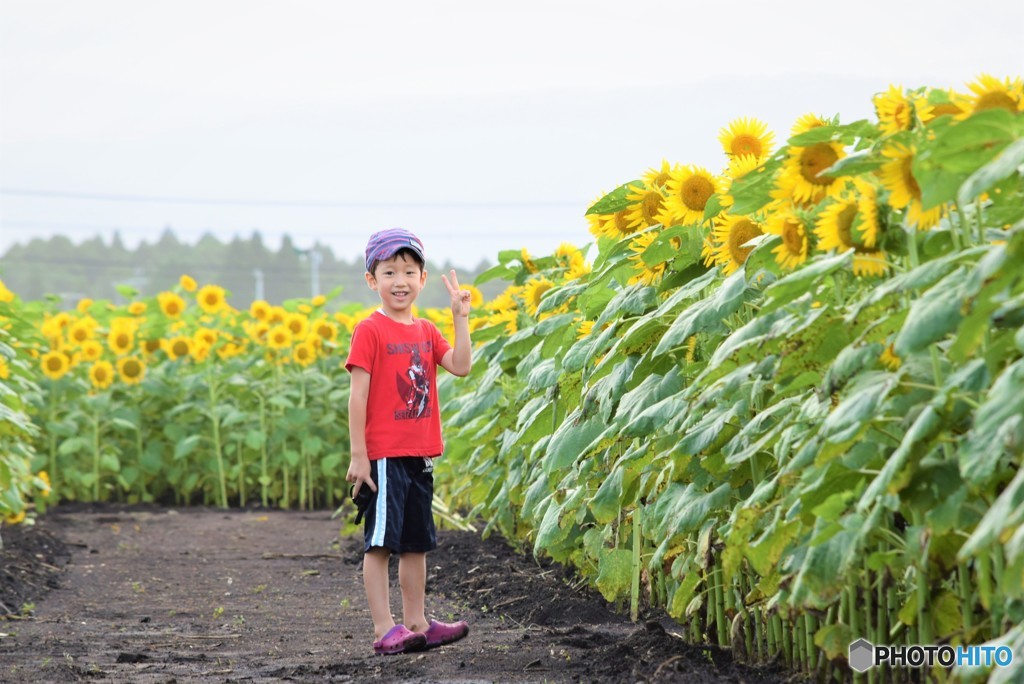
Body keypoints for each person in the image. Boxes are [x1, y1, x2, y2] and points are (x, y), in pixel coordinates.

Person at [344, 227, 473, 655]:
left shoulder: (426, 330)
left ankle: (417, 621)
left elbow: (460, 365)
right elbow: (357, 395)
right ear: (371, 279)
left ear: (421, 279)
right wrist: (359, 456)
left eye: (408, 271)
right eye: (388, 272)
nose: (399, 280)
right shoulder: (370, 330)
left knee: (417, 543)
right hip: (383, 457)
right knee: (381, 542)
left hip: (419, 456)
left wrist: (460, 318)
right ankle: (385, 628)